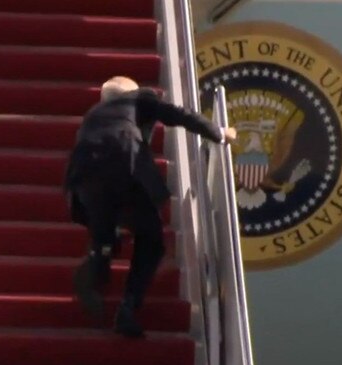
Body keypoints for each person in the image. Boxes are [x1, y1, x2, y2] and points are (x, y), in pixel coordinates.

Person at [64, 76, 237, 338]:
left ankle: (100, 256)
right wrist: (219, 132)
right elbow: (180, 115)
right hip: (126, 169)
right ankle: (128, 307)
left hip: (83, 178)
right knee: (151, 240)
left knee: (106, 226)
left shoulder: (93, 115)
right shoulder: (140, 98)